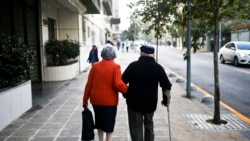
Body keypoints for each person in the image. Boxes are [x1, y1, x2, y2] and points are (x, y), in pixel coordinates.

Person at [122, 45, 172, 141]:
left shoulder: (133, 66)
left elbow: (121, 82)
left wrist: (127, 94)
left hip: (134, 103)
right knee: (149, 125)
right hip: (150, 103)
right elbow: (167, 85)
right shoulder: (158, 67)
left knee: (136, 127)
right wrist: (166, 101)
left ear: (141, 54)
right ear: (153, 55)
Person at [83, 44, 128, 141]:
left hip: (96, 100)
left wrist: (85, 100)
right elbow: (117, 84)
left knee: (99, 122)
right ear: (113, 55)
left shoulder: (95, 66)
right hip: (110, 101)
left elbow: (89, 85)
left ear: (102, 55)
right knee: (109, 123)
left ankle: (100, 140)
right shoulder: (116, 67)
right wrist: (127, 89)